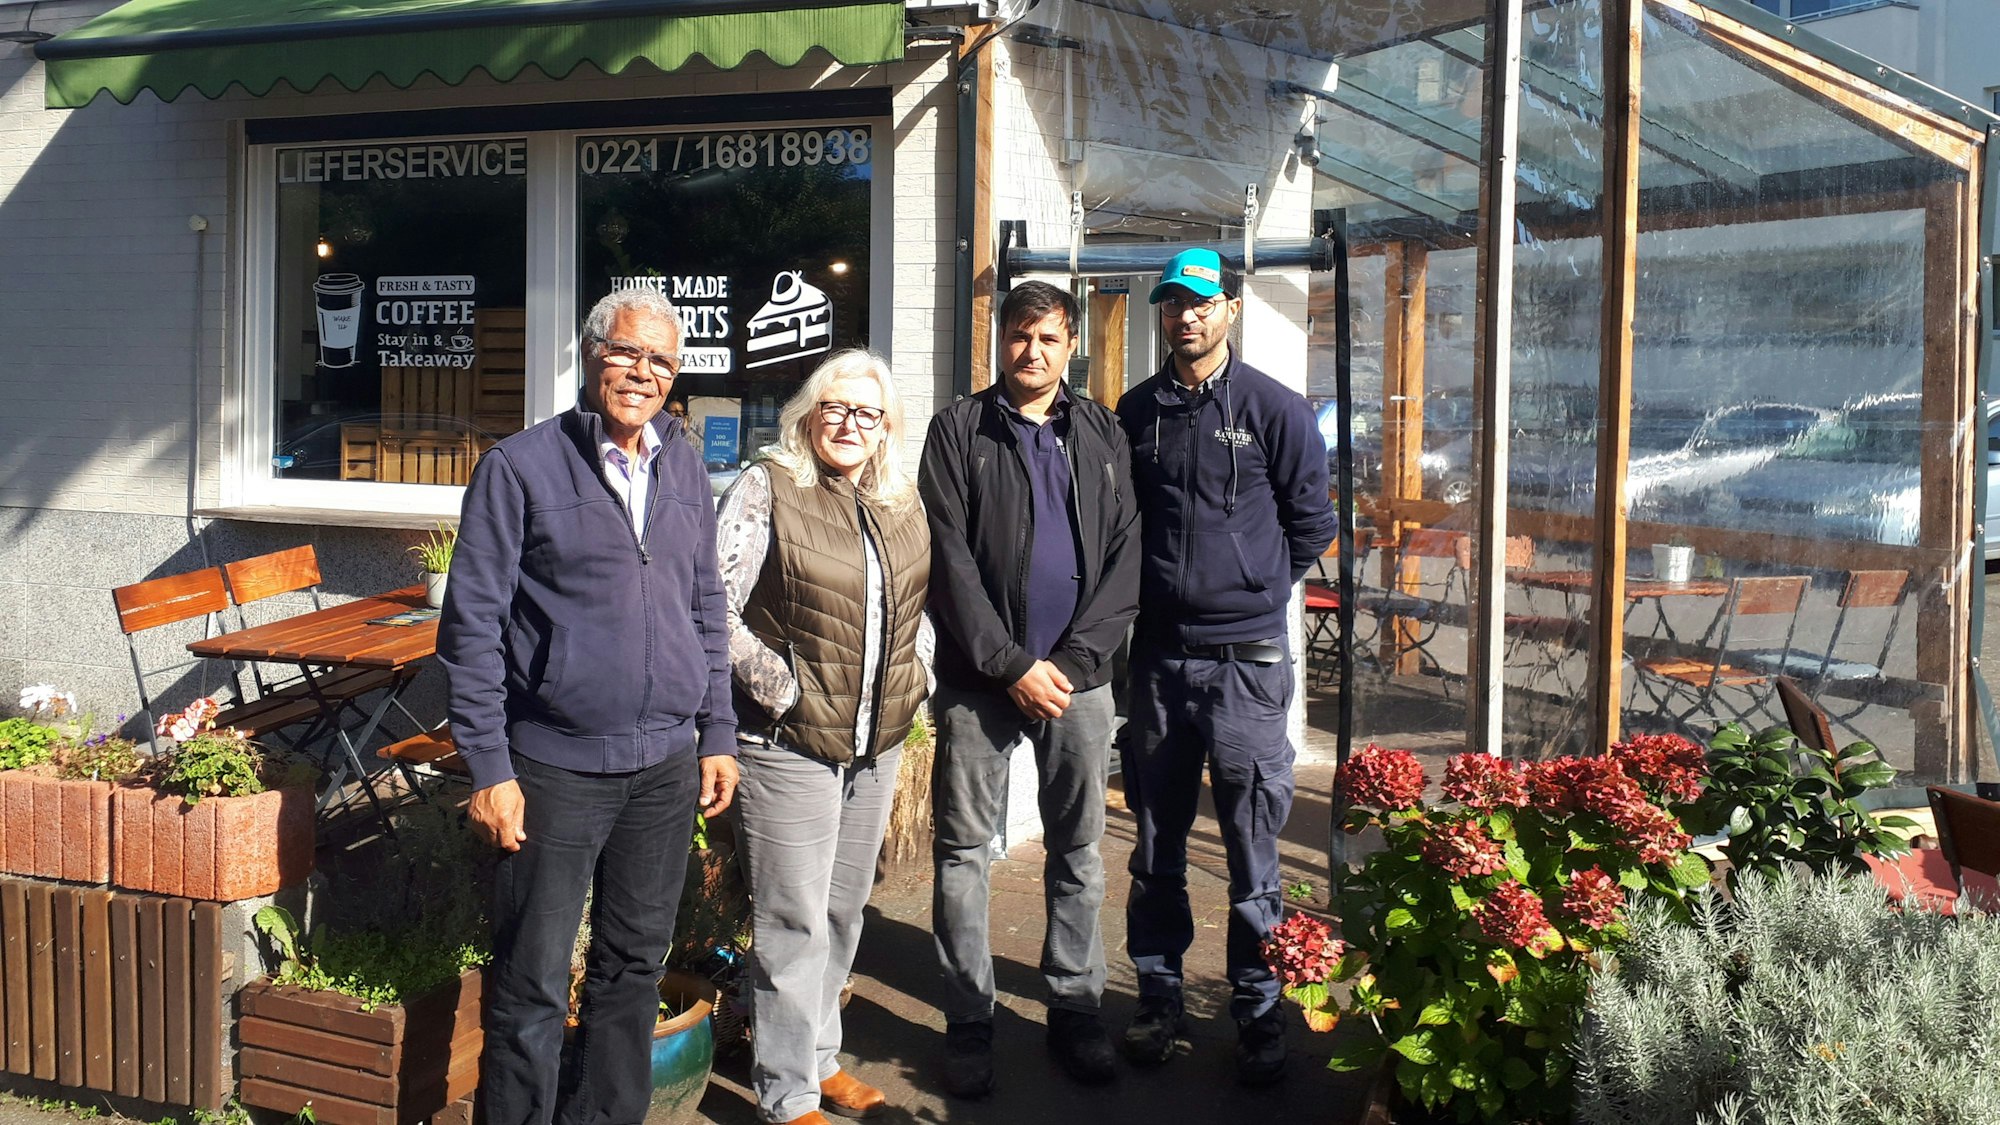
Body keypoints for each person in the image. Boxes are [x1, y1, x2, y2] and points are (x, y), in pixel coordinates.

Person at [438, 287, 740, 1125]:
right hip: (555, 768)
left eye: (662, 362)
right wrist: (490, 768)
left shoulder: (681, 462)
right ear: (592, 354)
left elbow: (706, 604)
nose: (644, 373)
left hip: (664, 770)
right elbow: (471, 628)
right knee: (531, 980)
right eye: (628, 352)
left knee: (632, 971)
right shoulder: (520, 466)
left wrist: (717, 729)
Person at [1114, 248, 1337, 1085]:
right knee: (1156, 843)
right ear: (1162, 314)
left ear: (1229, 311)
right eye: (1174, 303)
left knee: (1253, 848)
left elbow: (1312, 524)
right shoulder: (1137, 413)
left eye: (1202, 302)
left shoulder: (1275, 409)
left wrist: (1248, 581)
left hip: (1248, 663)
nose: (1188, 317)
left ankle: (1256, 1009)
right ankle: (1159, 997)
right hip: (1163, 663)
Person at [917, 281, 1140, 1097]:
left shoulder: (1101, 431)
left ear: (1070, 342)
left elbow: (1126, 558)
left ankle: (1077, 1008)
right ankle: (970, 1019)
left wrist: (1075, 664)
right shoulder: (958, 430)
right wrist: (1009, 661)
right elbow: (949, 559)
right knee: (963, 852)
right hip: (983, 681)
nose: (1033, 351)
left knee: (1078, 848)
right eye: (1019, 335)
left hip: (1079, 684)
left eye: (1048, 337)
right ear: (999, 339)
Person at [715, 350, 933, 1125]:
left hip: (877, 742)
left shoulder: (899, 497)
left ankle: (819, 1057)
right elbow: (713, 605)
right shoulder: (766, 484)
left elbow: (918, 604)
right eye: (835, 409)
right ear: (809, 415)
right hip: (789, 742)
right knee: (793, 920)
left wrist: (920, 673)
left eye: (867, 414)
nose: (850, 424)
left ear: (885, 429)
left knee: (844, 910)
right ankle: (787, 1092)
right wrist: (781, 687)